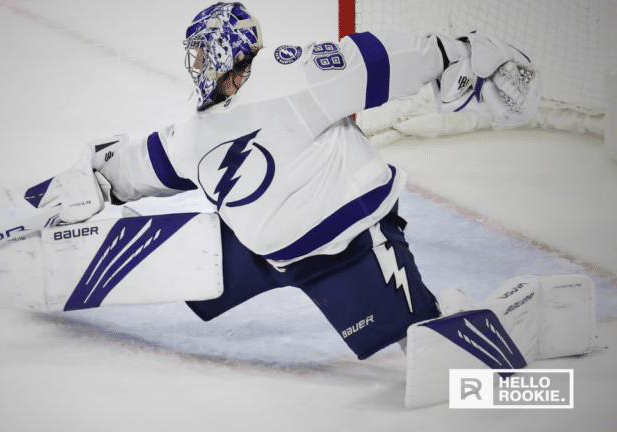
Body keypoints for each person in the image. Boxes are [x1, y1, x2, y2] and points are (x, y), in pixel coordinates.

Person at [32, 2, 541, 360]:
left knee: (424, 344)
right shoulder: (192, 134)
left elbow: (379, 57)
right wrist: (91, 177)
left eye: (204, 55)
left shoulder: (295, 74)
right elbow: (140, 163)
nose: (197, 67)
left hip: (352, 248)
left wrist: (462, 54)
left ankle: (510, 317)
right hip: (272, 256)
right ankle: (91, 269)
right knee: (197, 263)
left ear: (232, 52)